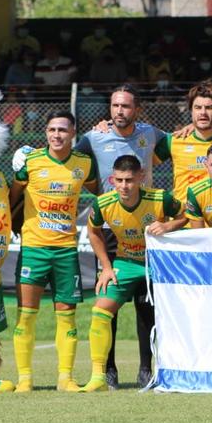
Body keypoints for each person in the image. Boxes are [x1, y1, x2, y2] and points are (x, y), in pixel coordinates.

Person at [71, 86, 164, 389]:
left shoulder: (151, 134)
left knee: (145, 303)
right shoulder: (93, 137)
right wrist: (97, 193)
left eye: (125, 106)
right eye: (114, 106)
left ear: (137, 109)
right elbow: (76, 167)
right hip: (110, 228)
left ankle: (145, 368)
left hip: (146, 225)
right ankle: (108, 368)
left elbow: (176, 148)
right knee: (108, 296)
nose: (119, 111)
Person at [9, 111, 98, 393]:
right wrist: (12, 221)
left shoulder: (83, 164)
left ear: (73, 134)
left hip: (66, 252)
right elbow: (12, 197)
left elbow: (100, 192)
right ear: (45, 133)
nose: (56, 135)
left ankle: (65, 378)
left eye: (62, 130)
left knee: (67, 316)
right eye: (51, 130)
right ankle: (25, 378)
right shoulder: (31, 162)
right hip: (33, 248)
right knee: (26, 315)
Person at [83, 155, 186, 392]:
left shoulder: (160, 198)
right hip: (125, 263)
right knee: (100, 310)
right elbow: (93, 231)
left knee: (166, 315)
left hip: (157, 263)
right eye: (119, 180)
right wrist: (106, 267)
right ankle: (100, 375)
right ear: (112, 179)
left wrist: (168, 225)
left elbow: (185, 216)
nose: (124, 186)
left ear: (140, 178)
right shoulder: (103, 203)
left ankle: (152, 370)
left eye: (129, 180)